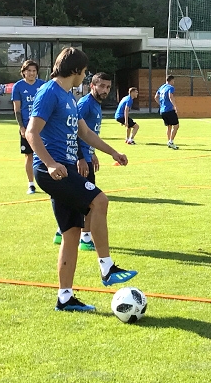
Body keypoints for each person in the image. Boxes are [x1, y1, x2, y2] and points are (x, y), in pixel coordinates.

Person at [26, 47, 137, 312]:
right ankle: (107, 268)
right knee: (100, 201)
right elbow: (32, 132)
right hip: (52, 170)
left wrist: (113, 152)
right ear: (75, 70)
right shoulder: (49, 92)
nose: (85, 77)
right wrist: (51, 164)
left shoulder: (68, 96)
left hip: (65, 169)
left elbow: (85, 132)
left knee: (71, 234)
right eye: (85, 71)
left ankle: (65, 297)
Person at [52, 72, 112, 250]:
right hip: (79, 159)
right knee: (90, 202)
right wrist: (81, 158)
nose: (105, 90)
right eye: (101, 86)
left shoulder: (96, 104)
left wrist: (92, 152)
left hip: (86, 156)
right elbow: (75, 131)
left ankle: (59, 232)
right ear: (92, 86)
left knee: (73, 200)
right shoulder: (85, 104)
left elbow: (89, 132)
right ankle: (85, 238)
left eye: (108, 87)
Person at [11, 60, 45, 195]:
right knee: (29, 156)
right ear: (24, 72)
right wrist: (21, 127)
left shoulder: (43, 85)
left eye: (34, 71)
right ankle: (31, 184)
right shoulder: (18, 87)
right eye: (29, 71)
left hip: (43, 126)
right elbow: (17, 110)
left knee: (48, 154)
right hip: (28, 127)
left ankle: (51, 183)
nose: (32, 73)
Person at [154, 75, 180, 149]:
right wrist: (175, 106)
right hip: (169, 110)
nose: (174, 82)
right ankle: (171, 141)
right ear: (171, 80)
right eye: (173, 81)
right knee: (176, 125)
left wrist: (161, 104)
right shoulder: (170, 87)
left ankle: (169, 141)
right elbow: (170, 96)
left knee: (169, 126)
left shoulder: (162, 87)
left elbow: (156, 97)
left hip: (162, 111)